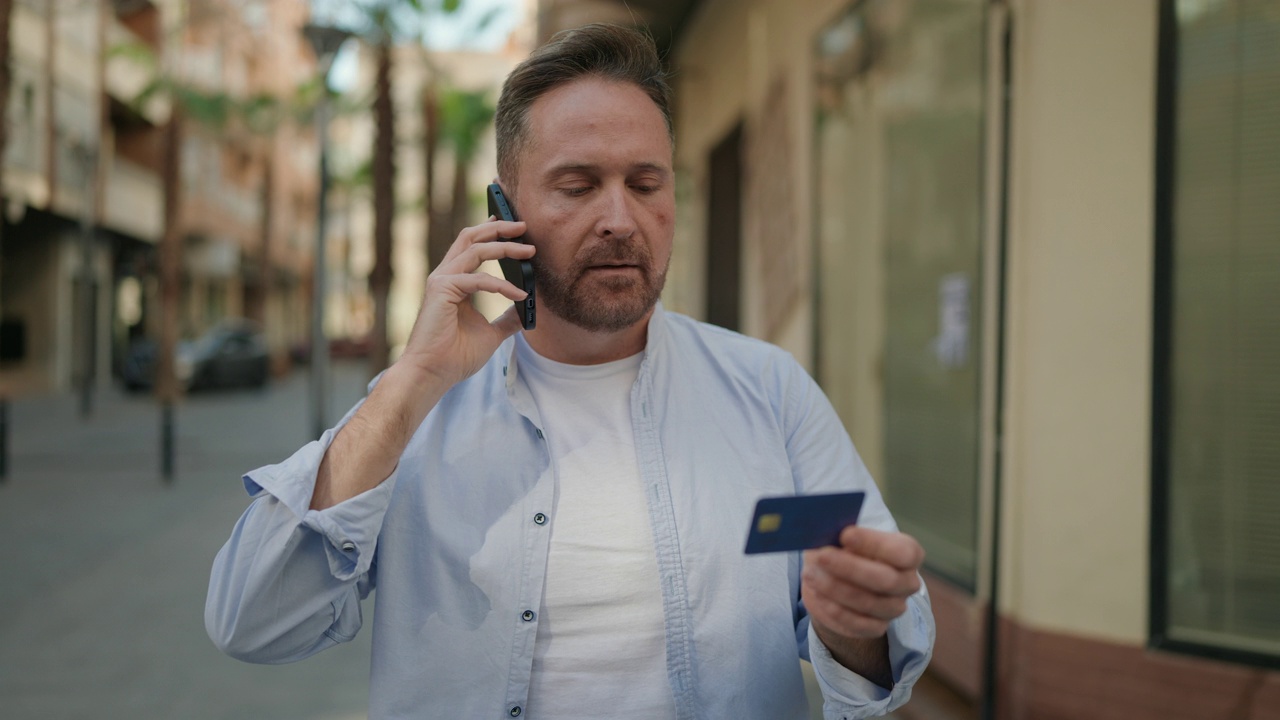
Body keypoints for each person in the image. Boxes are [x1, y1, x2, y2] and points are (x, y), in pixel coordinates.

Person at [206, 23, 934, 720]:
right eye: (579, 185)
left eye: (646, 183)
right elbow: (252, 621)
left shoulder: (769, 391)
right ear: (505, 211)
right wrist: (411, 383)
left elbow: (877, 646)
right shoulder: (416, 414)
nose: (621, 218)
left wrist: (854, 623)